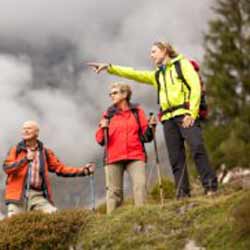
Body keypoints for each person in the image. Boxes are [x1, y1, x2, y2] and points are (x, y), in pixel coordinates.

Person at [88, 41, 218, 197]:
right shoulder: (158, 75)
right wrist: (109, 68)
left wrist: (192, 113)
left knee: (197, 148)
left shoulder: (182, 65)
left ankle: (210, 186)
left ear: (164, 51)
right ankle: (182, 194)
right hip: (168, 119)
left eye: (153, 51)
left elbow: (195, 87)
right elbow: (134, 73)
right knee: (176, 158)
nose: (151, 55)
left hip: (185, 114)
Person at [3, 120, 96, 217]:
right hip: (18, 196)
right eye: (24, 129)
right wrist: (25, 160)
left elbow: (60, 168)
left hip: (37, 195)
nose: (25, 131)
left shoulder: (45, 152)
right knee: (15, 226)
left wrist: (83, 171)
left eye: (29, 128)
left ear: (37, 133)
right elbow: (7, 168)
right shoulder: (15, 150)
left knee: (54, 216)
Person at [96, 82, 156, 213]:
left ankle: (142, 217)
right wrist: (102, 127)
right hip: (113, 157)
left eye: (115, 93)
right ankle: (112, 224)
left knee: (140, 186)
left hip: (135, 155)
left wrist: (152, 127)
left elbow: (147, 137)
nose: (112, 96)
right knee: (114, 193)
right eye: (110, 94)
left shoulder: (137, 111)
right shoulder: (108, 114)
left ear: (125, 94)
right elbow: (100, 140)